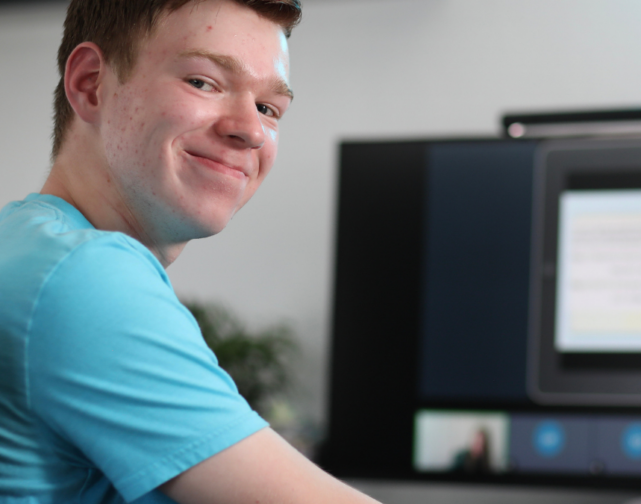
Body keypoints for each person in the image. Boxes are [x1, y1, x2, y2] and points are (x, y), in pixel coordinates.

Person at [0, 1, 380, 503]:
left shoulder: (27, 243)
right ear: (91, 84)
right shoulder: (81, 275)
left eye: (269, 108)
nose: (249, 129)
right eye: (203, 82)